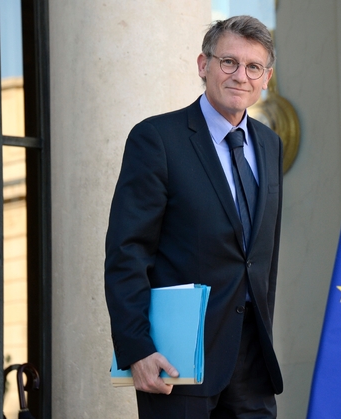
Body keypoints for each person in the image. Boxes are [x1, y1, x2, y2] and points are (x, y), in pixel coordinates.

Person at [104, 15, 283, 418]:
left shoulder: (270, 145)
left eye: (253, 67)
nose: (241, 76)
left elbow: (261, 257)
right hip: (178, 360)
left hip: (253, 361)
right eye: (229, 62)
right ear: (204, 65)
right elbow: (127, 252)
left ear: (266, 78)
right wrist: (137, 348)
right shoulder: (157, 139)